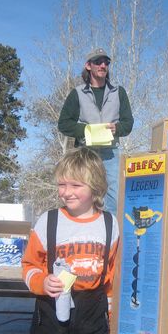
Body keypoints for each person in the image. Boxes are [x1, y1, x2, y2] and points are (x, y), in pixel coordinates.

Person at [19, 147, 120, 334]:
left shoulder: (110, 225)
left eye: (76, 184)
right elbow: (29, 266)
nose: (67, 191)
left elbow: (112, 278)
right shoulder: (48, 221)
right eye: (62, 184)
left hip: (91, 319)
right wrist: (42, 281)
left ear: (95, 185)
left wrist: (111, 321)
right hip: (50, 317)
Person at [58, 47, 134, 215]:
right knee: (84, 193)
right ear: (88, 66)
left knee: (113, 196)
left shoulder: (118, 92)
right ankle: (83, 230)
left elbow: (128, 123)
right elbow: (63, 124)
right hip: (86, 151)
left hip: (111, 153)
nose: (102, 65)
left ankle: (110, 235)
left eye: (106, 62)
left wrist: (117, 128)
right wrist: (85, 130)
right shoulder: (77, 93)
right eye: (98, 62)